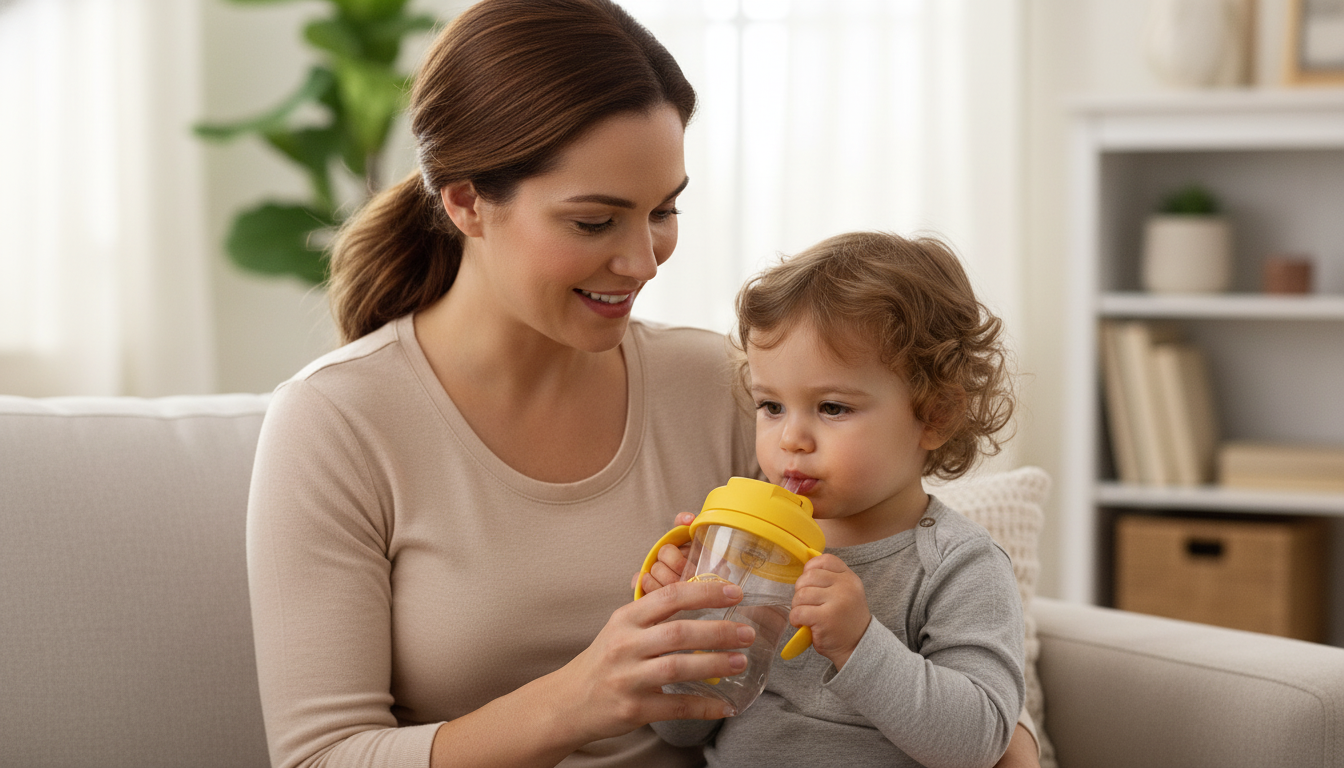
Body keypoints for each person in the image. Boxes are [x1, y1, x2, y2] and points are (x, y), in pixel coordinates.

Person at [244, 0, 1043, 766]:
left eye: (663, 211)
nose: (643, 260)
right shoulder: (339, 422)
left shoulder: (723, 387)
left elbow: (907, 591)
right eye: (594, 221)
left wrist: (1010, 738)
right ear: (466, 203)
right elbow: (322, 756)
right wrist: (581, 700)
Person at [645, 231, 1027, 768]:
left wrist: (858, 643)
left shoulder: (959, 564)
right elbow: (681, 729)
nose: (790, 439)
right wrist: (686, 627)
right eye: (771, 406)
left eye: (832, 408)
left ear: (935, 415)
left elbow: (978, 744)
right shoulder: (749, 550)